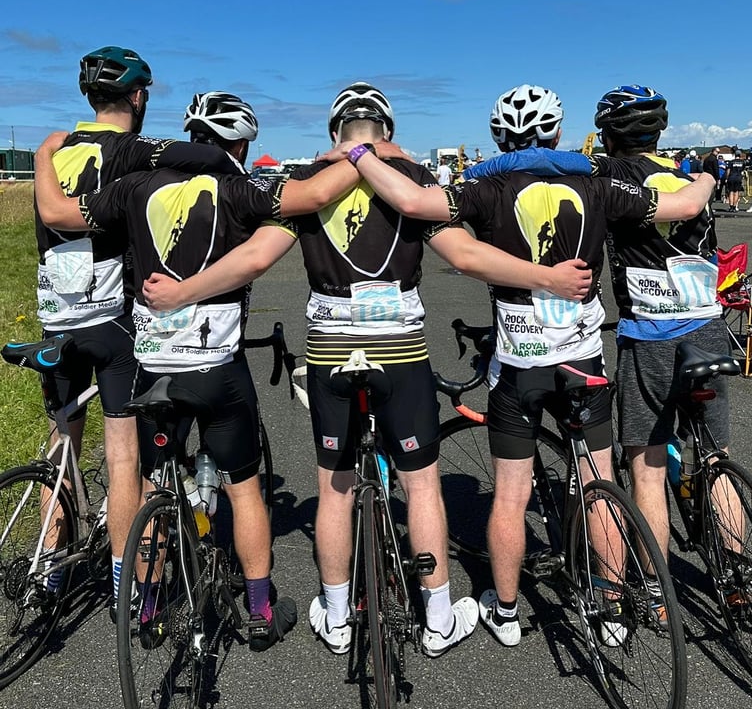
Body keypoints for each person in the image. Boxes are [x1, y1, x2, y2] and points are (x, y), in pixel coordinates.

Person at [137, 81, 593, 659]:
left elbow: (254, 258)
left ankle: (335, 616)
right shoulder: (412, 180)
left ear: (334, 134)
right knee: (420, 483)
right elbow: (465, 255)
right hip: (401, 348)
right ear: (390, 132)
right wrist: (547, 278)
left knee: (335, 489)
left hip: (330, 348)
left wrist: (182, 293)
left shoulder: (309, 184)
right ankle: (437, 617)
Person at [320, 83, 716, 650]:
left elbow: (412, 203)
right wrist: (703, 176)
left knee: (510, 495)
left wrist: (361, 151)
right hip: (583, 358)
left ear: (500, 137)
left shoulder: (486, 186)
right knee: (598, 482)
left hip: (520, 364)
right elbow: (683, 206)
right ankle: (610, 608)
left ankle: (505, 613)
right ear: (557, 133)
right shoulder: (598, 183)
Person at [34, 90, 365, 651]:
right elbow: (315, 194)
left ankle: (147, 606)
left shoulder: (133, 187)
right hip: (215, 366)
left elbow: (57, 212)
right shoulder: (240, 188)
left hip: (151, 366)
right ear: (240, 145)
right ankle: (259, 608)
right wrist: (358, 153)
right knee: (245, 490)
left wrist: (45, 155)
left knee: (150, 482)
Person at [463, 84, 729, 597]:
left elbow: (530, 171)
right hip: (701, 326)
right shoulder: (658, 177)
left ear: (605, 135)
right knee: (709, 460)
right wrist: (707, 178)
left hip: (628, 336)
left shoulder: (599, 174)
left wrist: (484, 169)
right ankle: (719, 583)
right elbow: (687, 203)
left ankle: (650, 593)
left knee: (644, 469)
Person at [35, 46, 250, 618]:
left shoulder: (55, 152)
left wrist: (39, 155)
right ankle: (126, 580)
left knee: (61, 444)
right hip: (110, 319)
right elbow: (207, 154)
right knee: (124, 455)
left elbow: (52, 214)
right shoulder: (130, 149)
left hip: (54, 318)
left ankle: (47, 568)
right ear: (137, 96)